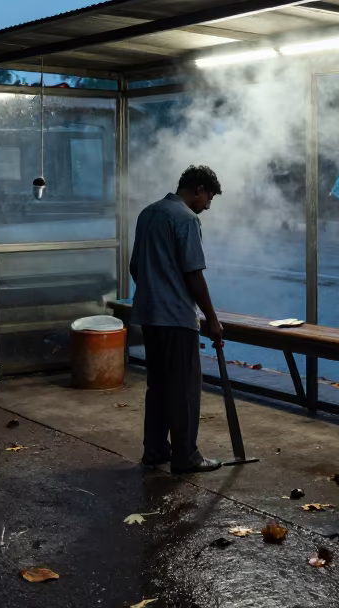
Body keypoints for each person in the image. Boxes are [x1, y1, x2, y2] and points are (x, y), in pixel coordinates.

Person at [129, 165, 224, 473]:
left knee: (157, 385)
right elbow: (193, 273)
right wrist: (211, 318)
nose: (208, 206)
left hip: (149, 314)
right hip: (176, 318)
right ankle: (186, 456)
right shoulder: (186, 218)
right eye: (208, 198)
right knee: (183, 388)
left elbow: (135, 266)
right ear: (198, 190)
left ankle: (155, 450)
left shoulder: (148, 214)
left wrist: (154, 288)